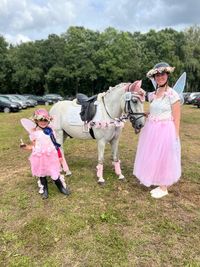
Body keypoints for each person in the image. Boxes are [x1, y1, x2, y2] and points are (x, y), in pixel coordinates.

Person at [133, 62, 181, 198]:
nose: (160, 77)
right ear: (154, 78)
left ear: (167, 75)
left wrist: (175, 137)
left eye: (162, 74)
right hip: (152, 129)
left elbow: (177, 118)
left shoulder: (172, 94)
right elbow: (155, 109)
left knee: (165, 157)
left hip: (166, 131)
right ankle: (157, 180)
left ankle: (164, 187)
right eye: (157, 75)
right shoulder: (154, 94)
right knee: (154, 155)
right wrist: (148, 114)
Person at [20, 108, 70, 199]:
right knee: (42, 174)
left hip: (51, 155)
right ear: (36, 120)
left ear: (48, 121)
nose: (43, 122)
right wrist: (26, 147)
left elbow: (56, 144)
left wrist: (59, 155)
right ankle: (45, 189)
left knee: (54, 172)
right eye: (40, 120)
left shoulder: (51, 131)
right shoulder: (34, 133)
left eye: (45, 120)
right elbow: (33, 146)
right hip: (40, 156)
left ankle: (61, 187)